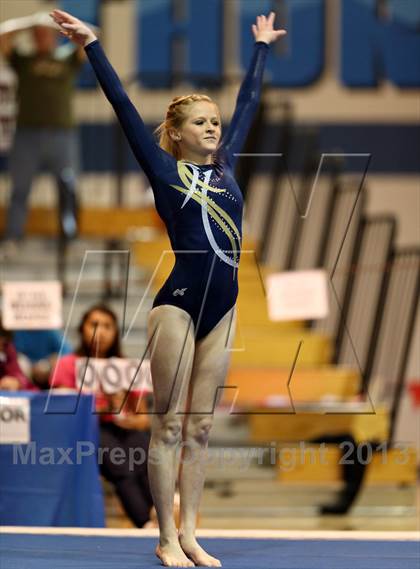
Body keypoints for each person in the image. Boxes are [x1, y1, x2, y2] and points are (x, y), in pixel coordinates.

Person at [50, 9, 286, 567]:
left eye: (214, 121)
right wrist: (93, 46)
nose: (213, 127)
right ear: (177, 133)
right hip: (177, 306)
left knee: (201, 428)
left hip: (222, 307)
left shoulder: (227, 168)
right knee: (170, 422)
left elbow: (249, 103)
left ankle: (192, 533)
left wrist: (260, 49)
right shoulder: (163, 170)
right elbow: (123, 109)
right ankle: (163, 536)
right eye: (200, 122)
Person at [50, 303, 154, 528]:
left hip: (124, 430)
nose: (101, 331)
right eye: (94, 324)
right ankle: (145, 524)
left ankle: (160, 521)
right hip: (87, 431)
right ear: (82, 329)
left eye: (107, 326)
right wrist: (99, 407)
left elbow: (143, 419)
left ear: (115, 332)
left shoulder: (126, 367)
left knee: (148, 460)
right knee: (122, 466)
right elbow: (61, 414)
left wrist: (122, 412)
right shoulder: (67, 365)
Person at [0, 12, 85, 259]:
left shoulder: (67, 59)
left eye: (45, 34)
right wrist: (26, 23)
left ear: (54, 37)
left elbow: (89, 41)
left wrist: (64, 26)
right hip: (27, 136)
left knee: (68, 188)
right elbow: (3, 39)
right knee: (19, 189)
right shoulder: (23, 60)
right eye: (37, 35)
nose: (41, 38)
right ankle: (13, 240)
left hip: (62, 135)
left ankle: (69, 239)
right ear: (33, 38)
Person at [0, 317, 33, 391]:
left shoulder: (7, 348)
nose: (3, 340)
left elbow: (19, 375)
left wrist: (17, 382)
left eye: (4, 335)